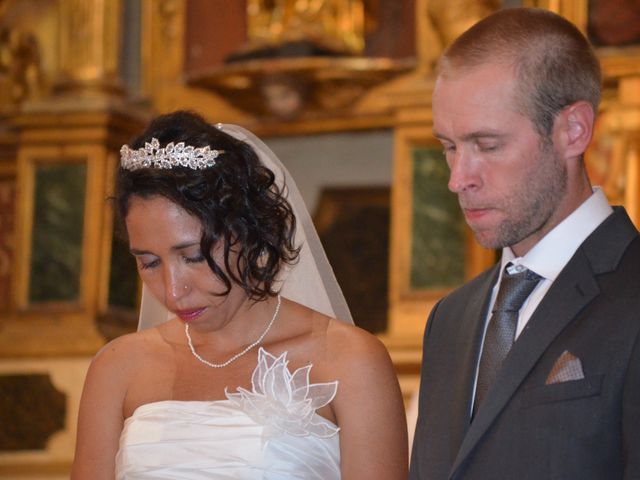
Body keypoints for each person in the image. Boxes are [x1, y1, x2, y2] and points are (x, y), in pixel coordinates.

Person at [71, 111, 407, 479]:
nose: (172, 290)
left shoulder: (349, 360)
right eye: (149, 263)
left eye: (194, 256)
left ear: (248, 233)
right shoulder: (118, 366)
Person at [409, 7, 640, 480]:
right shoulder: (449, 318)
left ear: (573, 131)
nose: (458, 179)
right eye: (449, 146)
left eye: (488, 145)